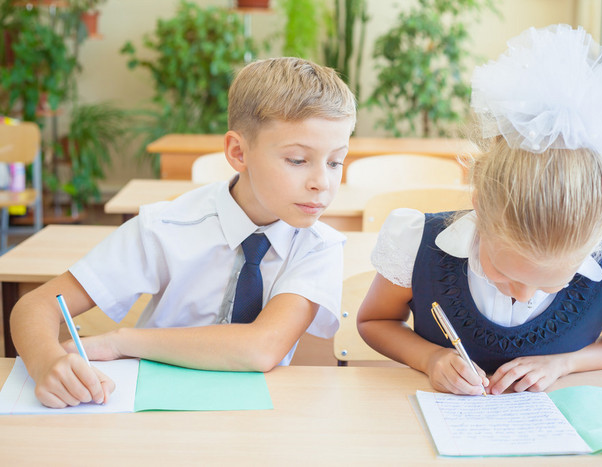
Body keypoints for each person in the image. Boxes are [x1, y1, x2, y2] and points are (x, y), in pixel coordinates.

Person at [10, 57, 356, 408]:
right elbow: (35, 306)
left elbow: (262, 347)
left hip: (255, 419)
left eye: (335, 162)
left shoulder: (319, 246)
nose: (321, 183)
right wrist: (46, 363)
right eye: (298, 160)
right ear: (238, 152)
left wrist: (120, 341)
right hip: (149, 409)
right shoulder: (167, 225)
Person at [357, 24, 602, 396]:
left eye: (552, 284)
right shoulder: (418, 246)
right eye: (502, 272)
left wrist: (565, 364)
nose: (522, 294)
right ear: (480, 206)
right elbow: (374, 321)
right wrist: (429, 359)